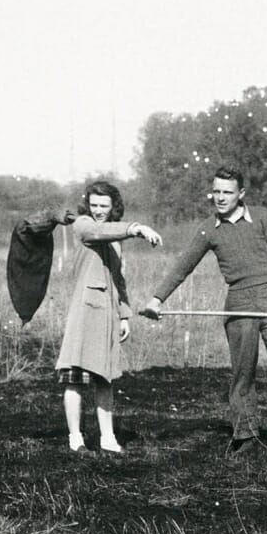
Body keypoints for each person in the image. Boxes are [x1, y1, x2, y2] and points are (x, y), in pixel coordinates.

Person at [141, 167, 267, 456]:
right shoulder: (207, 228)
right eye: (217, 191)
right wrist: (156, 300)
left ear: (241, 194)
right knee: (242, 372)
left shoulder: (262, 216)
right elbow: (183, 266)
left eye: (228, 192)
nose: (221, 197)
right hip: (238, 301)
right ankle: (246, 434)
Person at [56, 181, 163, 453]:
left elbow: (119, 280)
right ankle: (75, 438)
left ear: (113, 206)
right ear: (87, 205)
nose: (98, 211)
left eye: (104, 206)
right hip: (83, 314)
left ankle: (107, 438)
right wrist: (136, 228)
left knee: (105, 379)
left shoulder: (116, 240)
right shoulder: (83, 225)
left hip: (107, 317)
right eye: (94, 205)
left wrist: (124, 315)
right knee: (75, 378)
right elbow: (97, 230)